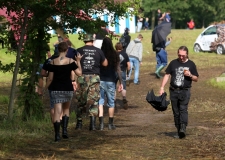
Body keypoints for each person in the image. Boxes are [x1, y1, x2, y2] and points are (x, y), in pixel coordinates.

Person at [45, 41, 82, 142]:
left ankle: (57, 135)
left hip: (56, 88)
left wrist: (45, 87)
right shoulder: (70, 61)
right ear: (67, 50)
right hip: (67, 88)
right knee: (66, 109)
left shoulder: (52, 62)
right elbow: (79, 73)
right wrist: (78, 61)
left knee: (57, 111)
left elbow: (50, 78)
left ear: (57, 49)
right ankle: (65, 131)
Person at [159, 46, 199, 139]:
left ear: (187, 54)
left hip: (185, 91)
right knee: (175, 111)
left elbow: (196, 78)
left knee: (183, 109)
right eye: (179, 55)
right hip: (173, 90)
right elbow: (167, 75)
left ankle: (183, 128)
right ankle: (178, 130)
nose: (181, 57)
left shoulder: (191, 64)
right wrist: (162, 87)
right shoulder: (173, 63)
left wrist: (190, 75)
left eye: (183, 56)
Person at [75, 33, 108, 131]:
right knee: (94, 101)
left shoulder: (79, 50)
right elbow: (105, 63)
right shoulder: (98, 51)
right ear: (92, 40)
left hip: (82, 77)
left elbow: (74, 64)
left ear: (84, 40)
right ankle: (92, 124)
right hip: (94, 78)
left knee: (80, 100)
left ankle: (79, 124)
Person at [98, 37, 123, 131]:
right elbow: (118, 69)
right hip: (111, 80)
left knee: (100, 102)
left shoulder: (100, 53)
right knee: (111, 102)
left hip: (100, 80)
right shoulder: (115, 54)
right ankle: (110, 124)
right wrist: (121, 82)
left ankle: (101, 124)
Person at [115, 42, 130, 110]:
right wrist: (128, 73)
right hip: (122, 72)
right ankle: (124, 98)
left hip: (114, 72)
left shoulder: (113, 54)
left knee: (113, 86)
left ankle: (113, 101)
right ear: (122, 47)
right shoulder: (125, 54)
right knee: (123, 85)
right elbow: (129, 65)